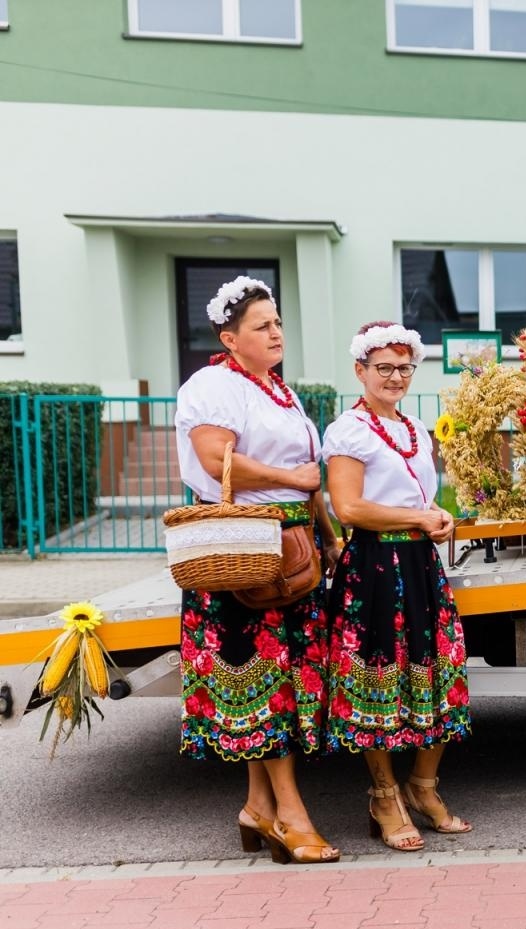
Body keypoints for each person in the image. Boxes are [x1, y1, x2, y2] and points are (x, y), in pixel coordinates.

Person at [173, 275, 341, 864]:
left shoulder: (277, 389)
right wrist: (293, 481)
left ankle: (257, 809)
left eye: (278, 323)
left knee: (284, 688)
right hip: (244, 554)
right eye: (262, 326)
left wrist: (329, 534)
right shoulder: (213, 384)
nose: (276, 333)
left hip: (291, 552)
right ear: (229, 337)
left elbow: (312, 470)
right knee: (265, 690)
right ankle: (290, 816)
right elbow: (216, 460)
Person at [324, 321, 471, 852]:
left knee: (436, 671)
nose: (395, 377)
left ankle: (423, 787)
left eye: (404, 367)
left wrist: (437, 517)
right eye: (383, 367)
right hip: (375, 565)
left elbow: (416, 499)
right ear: (360, 370)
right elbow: (349, 508)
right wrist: (417, 516)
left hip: (418, 562)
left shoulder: (414, 428)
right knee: (382, 679)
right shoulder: (349, 430)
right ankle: (384, 794)